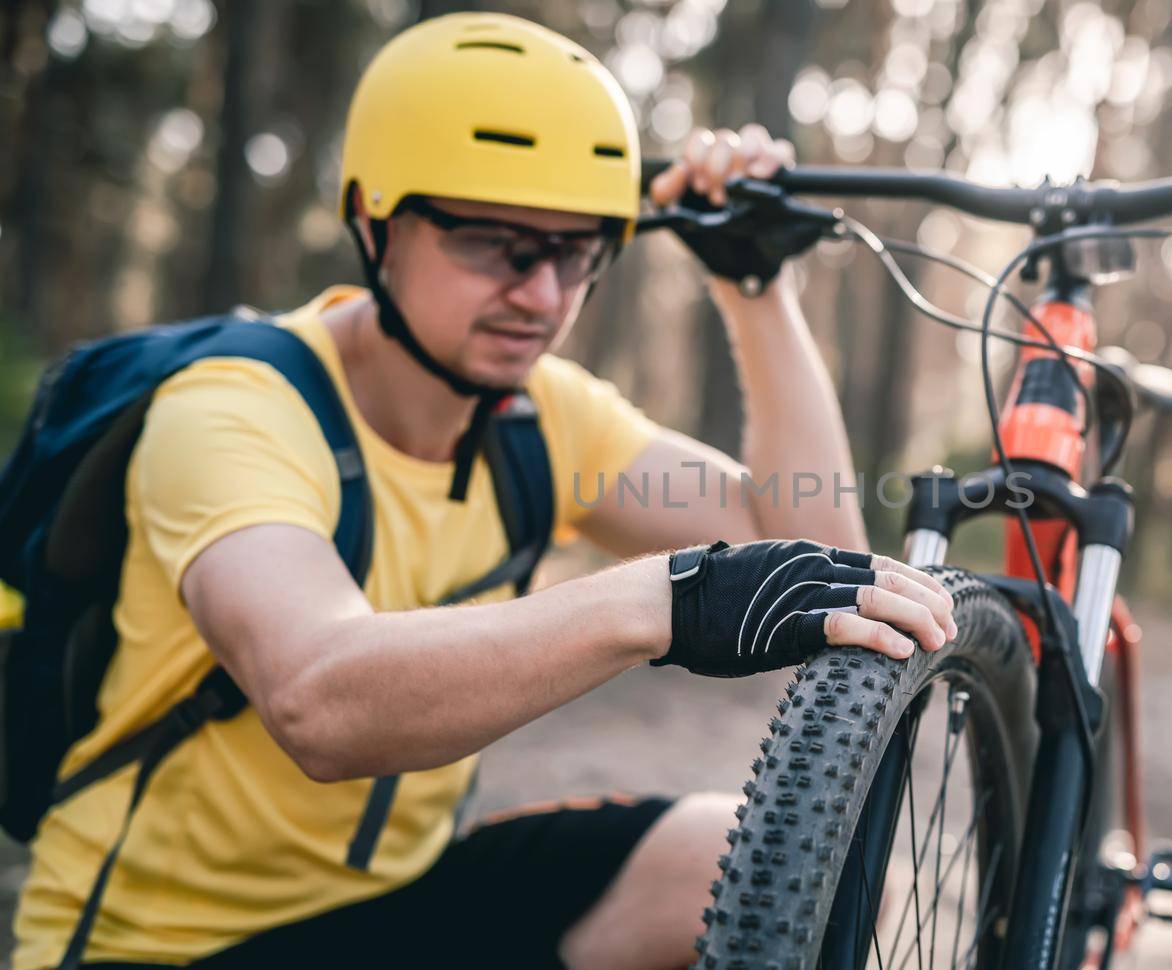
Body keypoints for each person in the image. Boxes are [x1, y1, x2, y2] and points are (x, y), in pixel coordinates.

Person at [11, 12, 957, 970]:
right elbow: (317, 701)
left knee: (797, 862)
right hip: (162, 946)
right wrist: (660, 599)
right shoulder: (234, 410)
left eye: (578, 251)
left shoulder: (538, 417)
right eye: (494, 243)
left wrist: (758, 295)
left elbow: (819, 553)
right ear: (375, 224)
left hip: (403, 906)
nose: (542, 296)